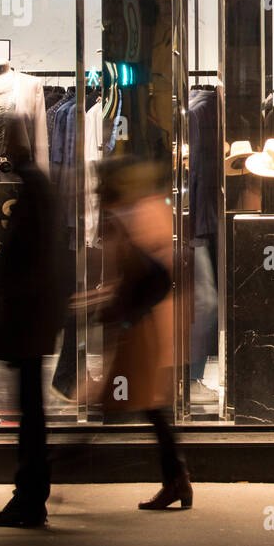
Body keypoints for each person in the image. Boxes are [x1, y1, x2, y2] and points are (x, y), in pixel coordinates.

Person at [0, 114, 65, 528]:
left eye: (7, 140)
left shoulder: (32, 187)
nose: (1, 148)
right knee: (31, 410)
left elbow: (29, 259)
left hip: (28, 318)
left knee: (30, 412)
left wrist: (10, 302)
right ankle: (30, 495)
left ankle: (29, 498)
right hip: (32, 317)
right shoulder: (36, 186)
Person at [95, 159, 192, 510]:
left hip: (142, 326)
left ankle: (176, 480)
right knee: (151, 407)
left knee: (145, 405)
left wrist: (114, 311)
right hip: (148, 323)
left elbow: (145, 275)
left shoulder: (131, 216)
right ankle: (177, 481)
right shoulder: (147, 210)